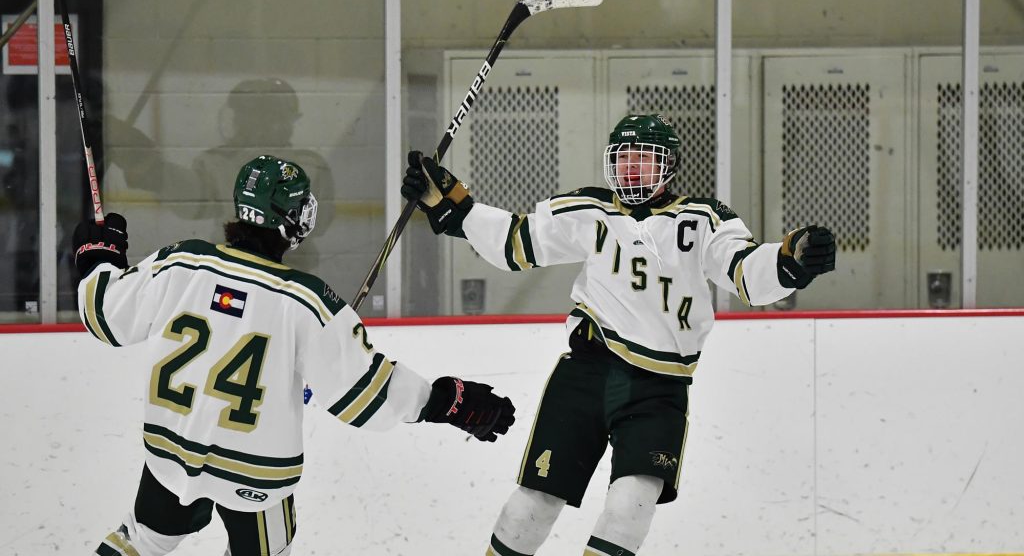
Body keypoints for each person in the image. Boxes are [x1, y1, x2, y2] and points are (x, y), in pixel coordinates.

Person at [401, 114, 836, 556]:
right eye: (623, 157)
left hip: (659, 388)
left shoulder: (703, 219)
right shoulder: (589, 210)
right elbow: (515, 242)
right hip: (588, 372)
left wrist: (792, 260)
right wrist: (455, 206)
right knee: (533, 504)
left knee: (632, 505)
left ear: (669, 166)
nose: (631, 167)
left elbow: (745, 272)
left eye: (644, 159)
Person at [73, 155, 516, 556]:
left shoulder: (181, 262)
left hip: (169, 456)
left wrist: (98, 257)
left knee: (144, 540)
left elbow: (105, 313)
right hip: (254, 477)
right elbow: (365, 395)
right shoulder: (307, 302)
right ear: (291, 219)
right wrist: (447, 401)